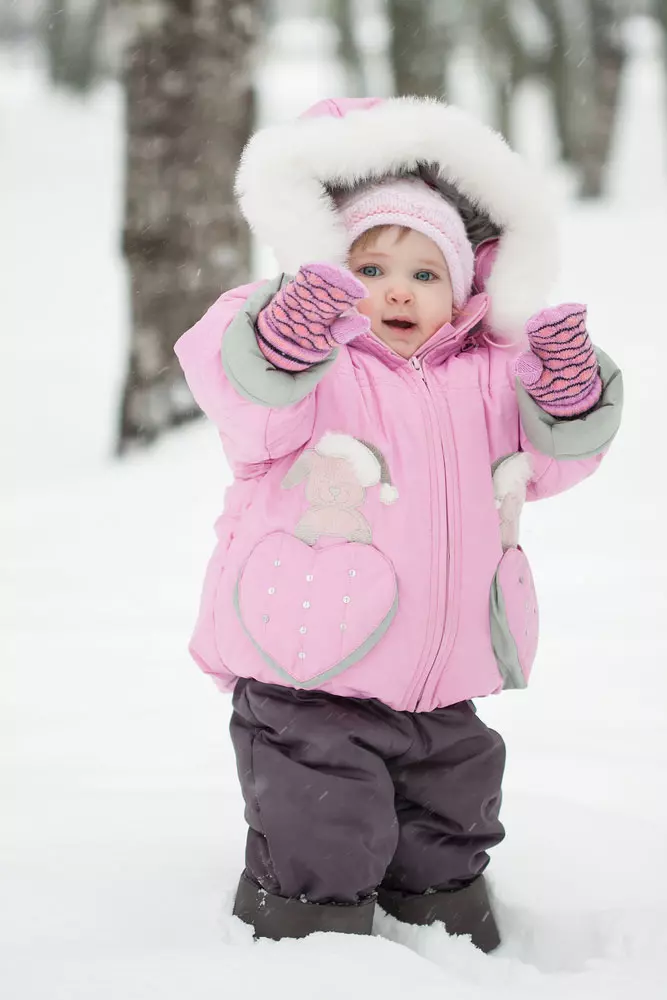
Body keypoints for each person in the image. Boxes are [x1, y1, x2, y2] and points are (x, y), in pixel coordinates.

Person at [174, 97, 623, 952]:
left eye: (425, 274)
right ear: (330, 270)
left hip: (446, 675)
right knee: (322, 828)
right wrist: (284, 335)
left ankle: (445, 929)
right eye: (370, 267)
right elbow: (238, 392)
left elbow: (550, 463)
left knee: (451, 818)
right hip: (309, 672)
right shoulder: (313, 366)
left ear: (467, 284)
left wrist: (565, 393)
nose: (397, 291)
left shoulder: (490, 371)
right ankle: (311, 942)